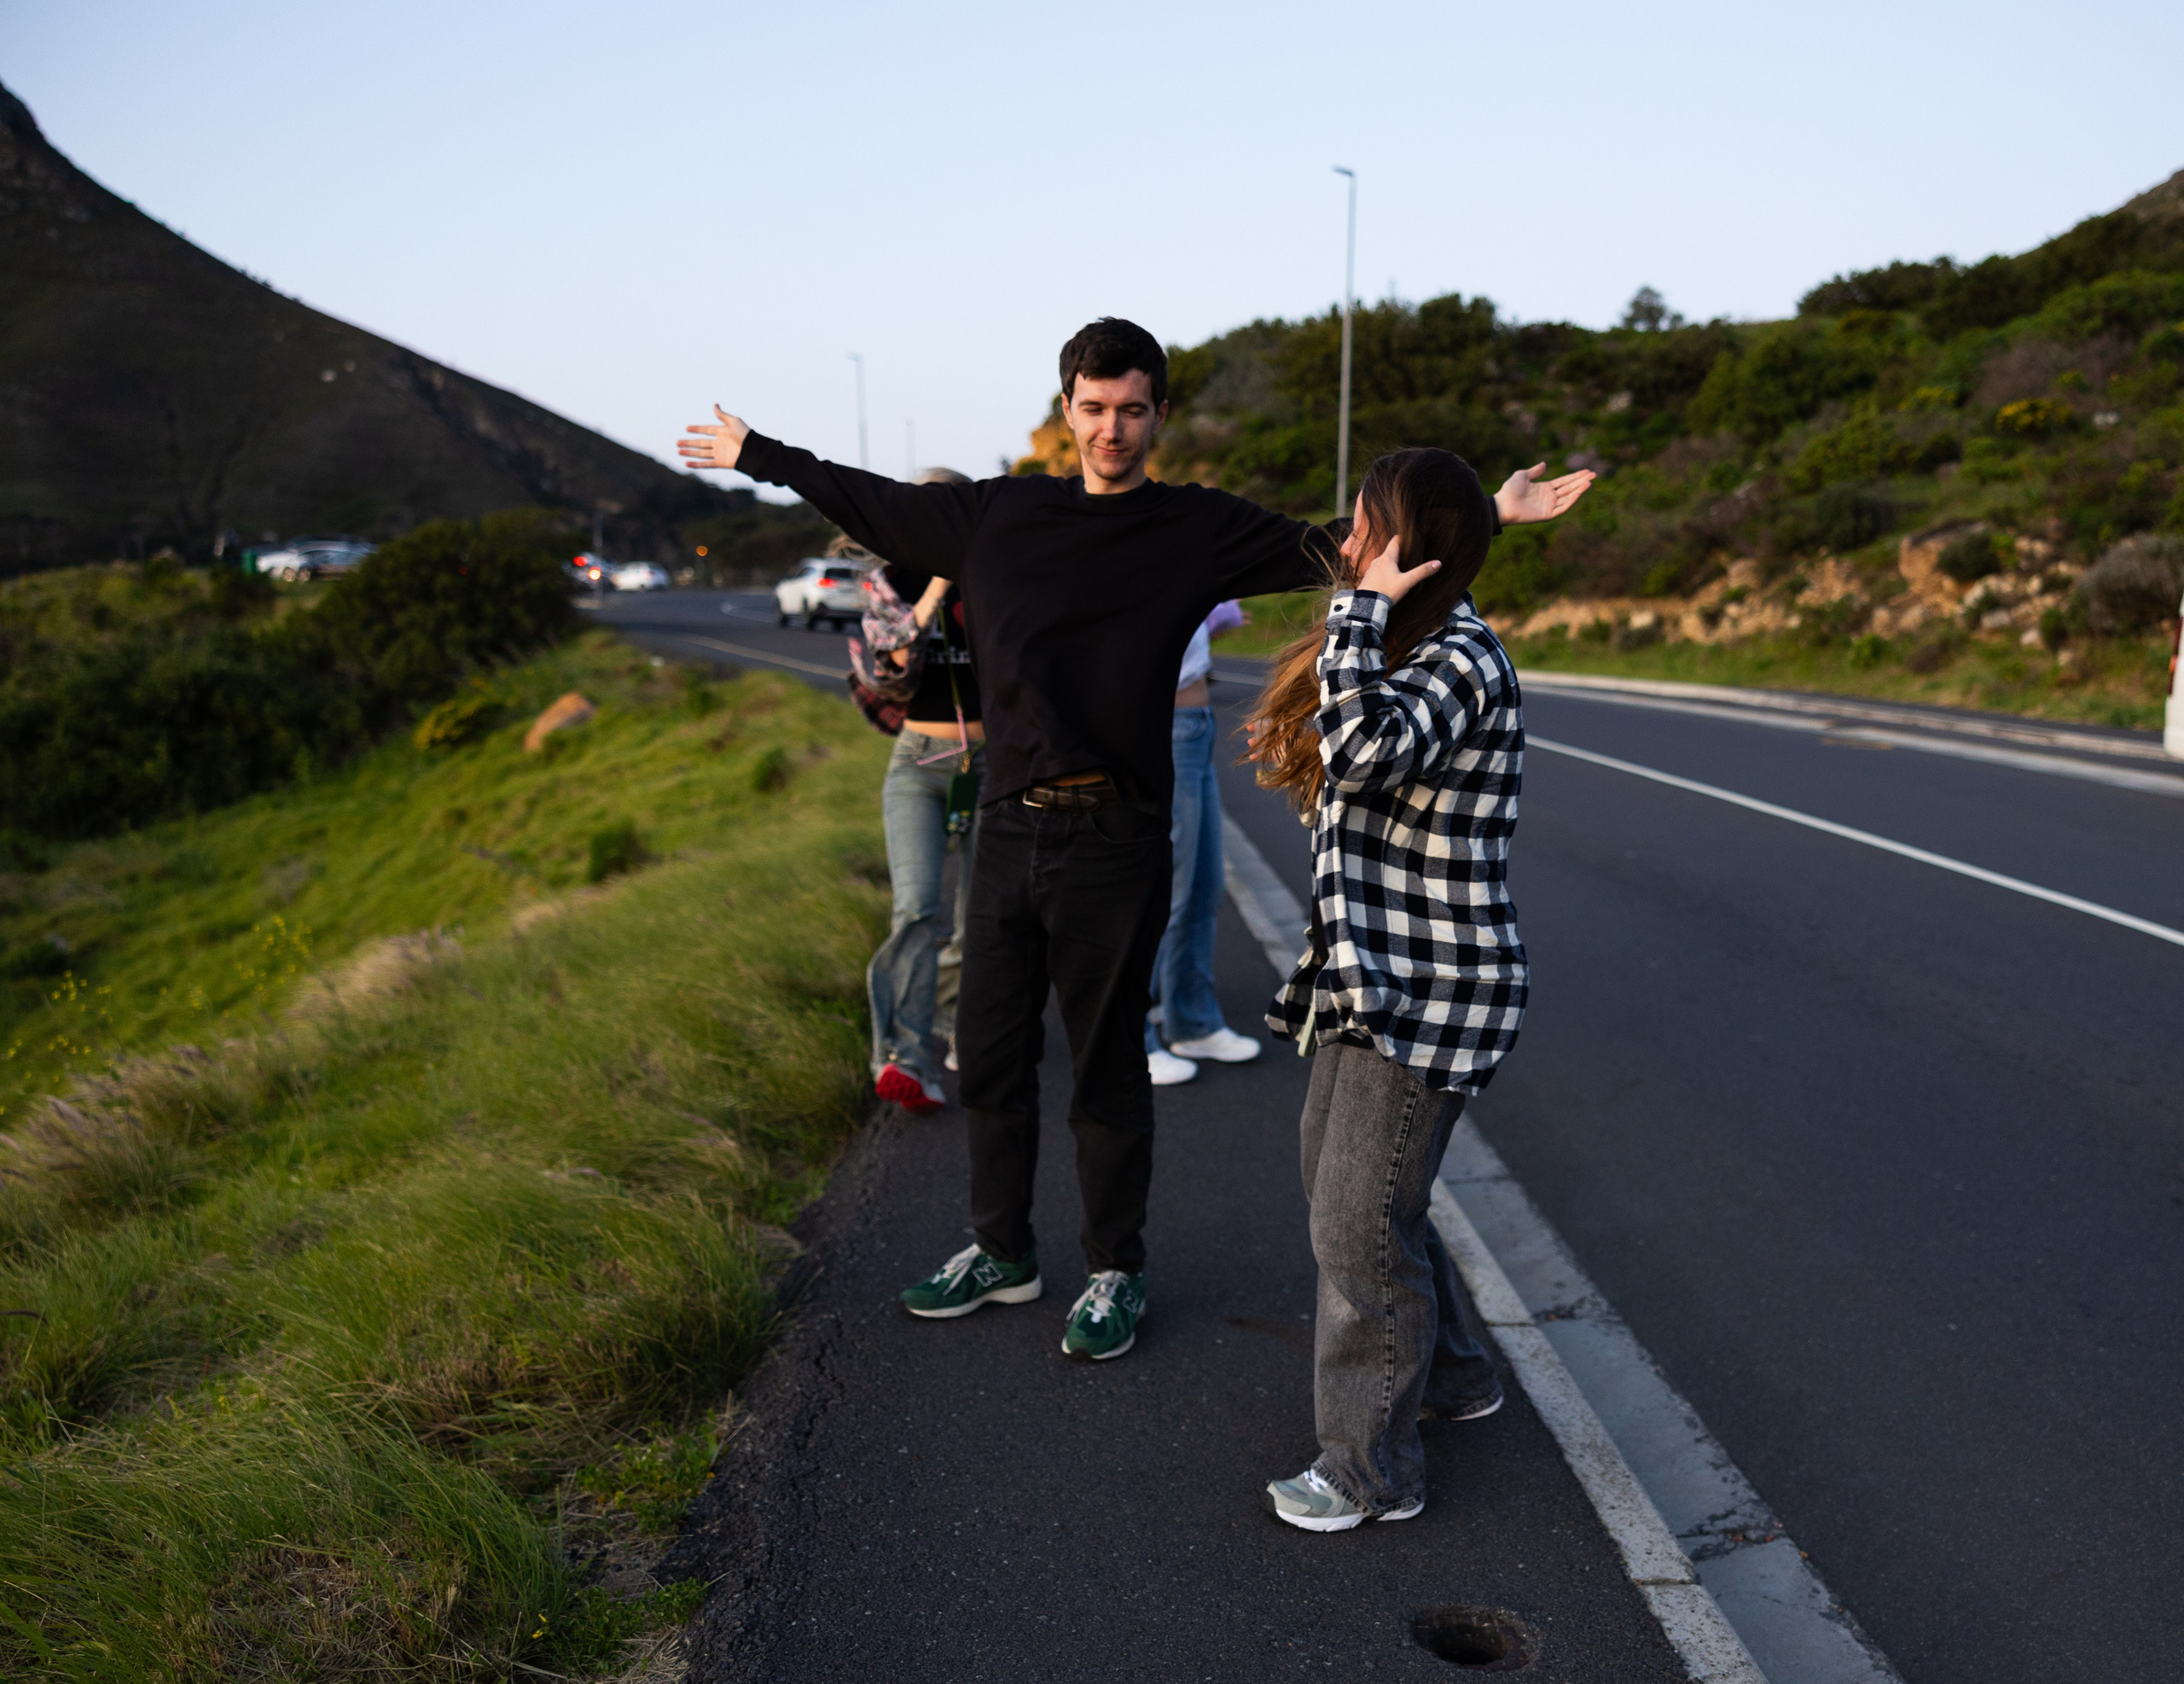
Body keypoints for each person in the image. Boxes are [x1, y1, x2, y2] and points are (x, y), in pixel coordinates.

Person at [677, 318, 1591, 1364]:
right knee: (994, 1054)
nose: (1112, 429)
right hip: (1010, 827)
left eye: (1133, 410)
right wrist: (761, 456)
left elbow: (1343, 544)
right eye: (1094, 408)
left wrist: (1485, 515)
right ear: (1066, 409)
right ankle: (1001, 1249)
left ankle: (1115, 1268)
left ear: (1158, 415)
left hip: (1116, 832)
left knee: (1108, 1063)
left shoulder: (1189, 529)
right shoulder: (996, 515)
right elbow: (870, 499)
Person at [1246, 446, 1589, 1532]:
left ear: (1403, 550)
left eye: (1362, 531)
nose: (1344, 548)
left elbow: (1359, 752)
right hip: (1368, 974)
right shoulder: (1413, 637)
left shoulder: (1460, 660)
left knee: (1356, 1229)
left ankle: (1369, 1471)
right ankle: (1449, 1374)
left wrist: (1356, 615)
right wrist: (1481, 514)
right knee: (1345, 1200)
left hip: (1435, 990)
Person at [858, 470, 984, 1114]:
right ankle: (903, 1060)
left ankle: (953, 1020)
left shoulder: (996, 574)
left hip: (990, 764)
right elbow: (892, 663)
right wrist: (938, 579)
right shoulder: (892, 584)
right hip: (918, 760)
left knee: (980, 915)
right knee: (916, 909)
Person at [1145, 599, 1259, 1088]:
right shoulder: (1127, 532)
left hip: (1194, 728)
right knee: (1158, 891)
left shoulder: (1174, 530)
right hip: (1159, 728)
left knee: (1202, 886)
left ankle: (1189, 1020)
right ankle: (1133, 1038)